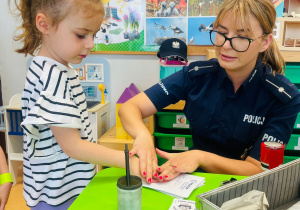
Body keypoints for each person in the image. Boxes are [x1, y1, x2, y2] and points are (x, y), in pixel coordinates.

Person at [119, 0, 300, 181]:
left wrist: (200, 157)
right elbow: (130, 108)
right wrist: (142, 135)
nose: (226, 45)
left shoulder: (284, 97)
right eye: (221, 32)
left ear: (265, 42)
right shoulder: (196, 75)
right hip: (193, 182)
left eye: (241, 37)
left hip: (246, 189)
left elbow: (258, 169)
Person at [10, 0, 142, 209]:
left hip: (56, 189)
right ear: (44, 25)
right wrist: (127, 160)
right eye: (81, 35)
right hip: (58, 197)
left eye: (94, 34)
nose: (90, 44)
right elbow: (73, 145)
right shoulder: (52, 77)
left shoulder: (50, 68)